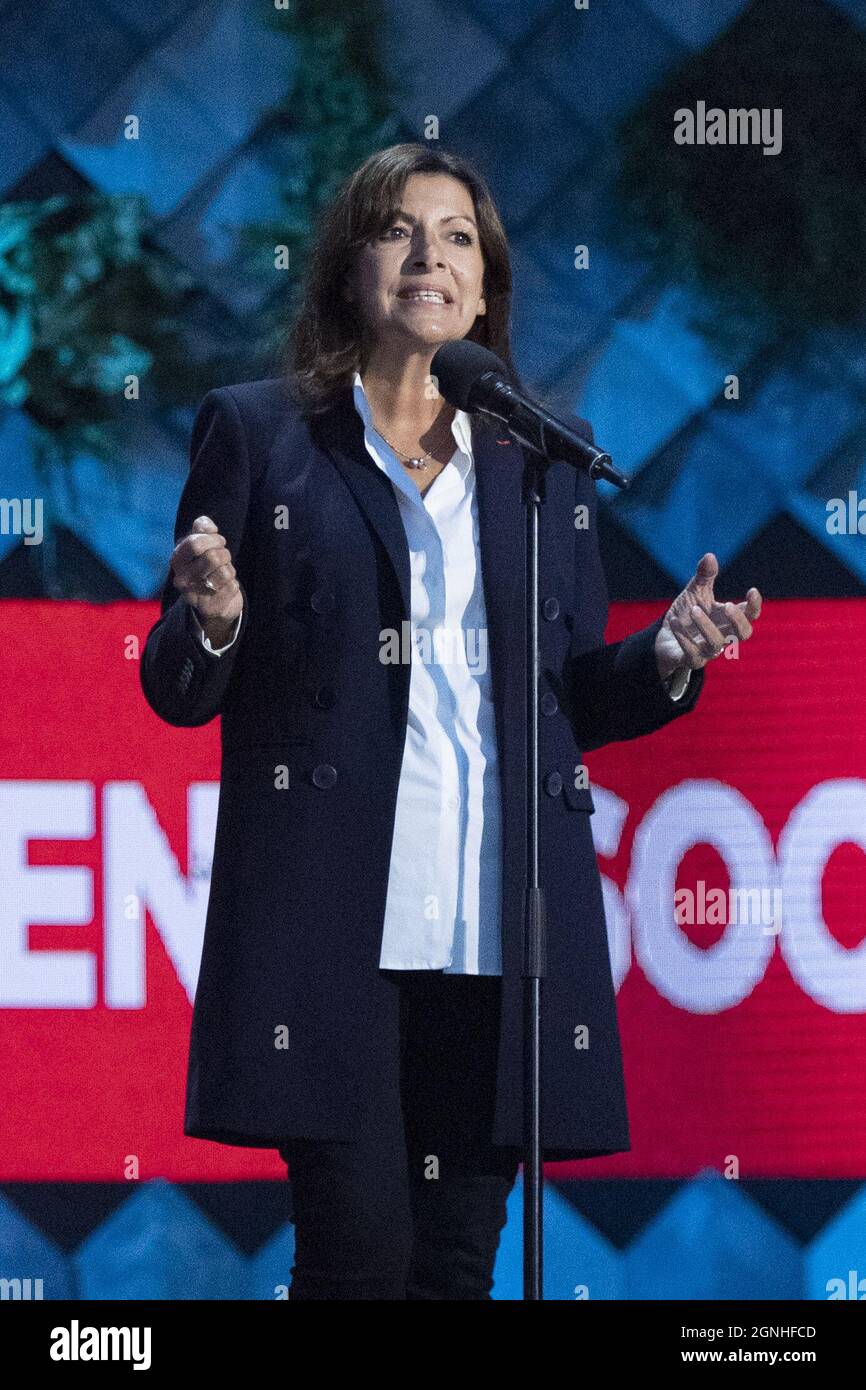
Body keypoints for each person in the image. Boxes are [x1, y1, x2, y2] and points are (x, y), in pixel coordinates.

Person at [140, 143, 762, 1300]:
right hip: (333, 933)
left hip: (495, 928)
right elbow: (176, 686)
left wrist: (670, 651)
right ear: (348, 269)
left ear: (485, 288)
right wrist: (216, 620)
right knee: (358, 1256)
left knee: (456, 1267)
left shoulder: (539, 460)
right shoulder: (261, 433)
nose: (429, 255)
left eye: (458, 237)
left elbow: (573, 698)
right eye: (398, 230)